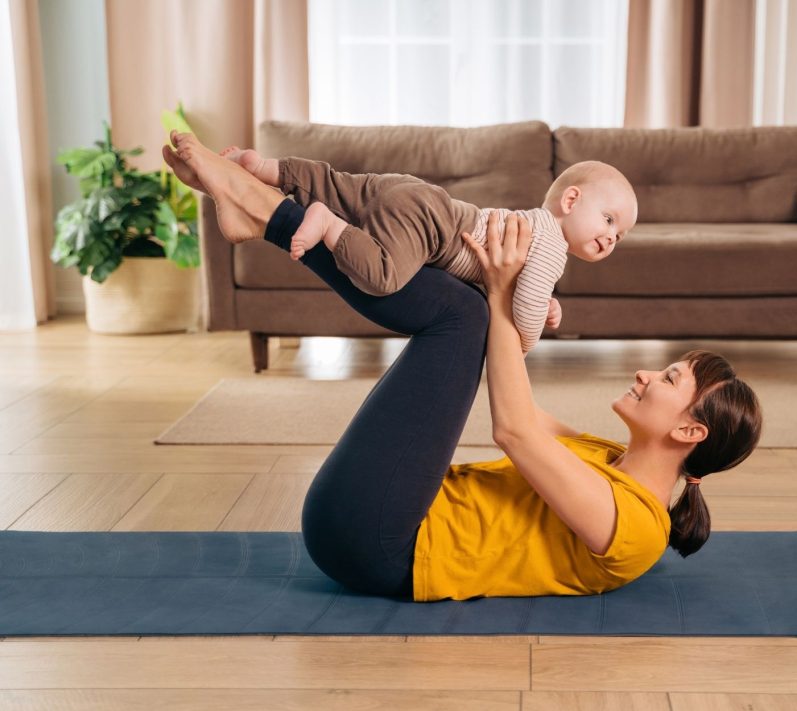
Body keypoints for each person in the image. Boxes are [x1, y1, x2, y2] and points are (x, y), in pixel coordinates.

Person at [161, 131, 762, 602]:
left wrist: (505, 295)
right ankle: (265, 206)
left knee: (469, 316)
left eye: (668, 380)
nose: (645, 375)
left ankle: (265, 205)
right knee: (464, 309)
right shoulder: (606, 458)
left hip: (381, 545)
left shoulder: (635, 529)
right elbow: (521, 405)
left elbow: (514, 429)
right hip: (383, 512)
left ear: (690, 431)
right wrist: (505, 290)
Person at [180, 132, 637, 354]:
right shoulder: (552, 248)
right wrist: (538, 320)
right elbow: (524, 332)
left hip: (414, 192)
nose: (611, 236)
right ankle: (327, 224)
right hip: (430, 226)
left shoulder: (533, 228)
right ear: (571, 199)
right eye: (609, 219)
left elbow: (522, 288)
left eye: (619, 234)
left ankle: (261, 168)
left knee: (338, 184)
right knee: (382, 276)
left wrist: (545, 302)